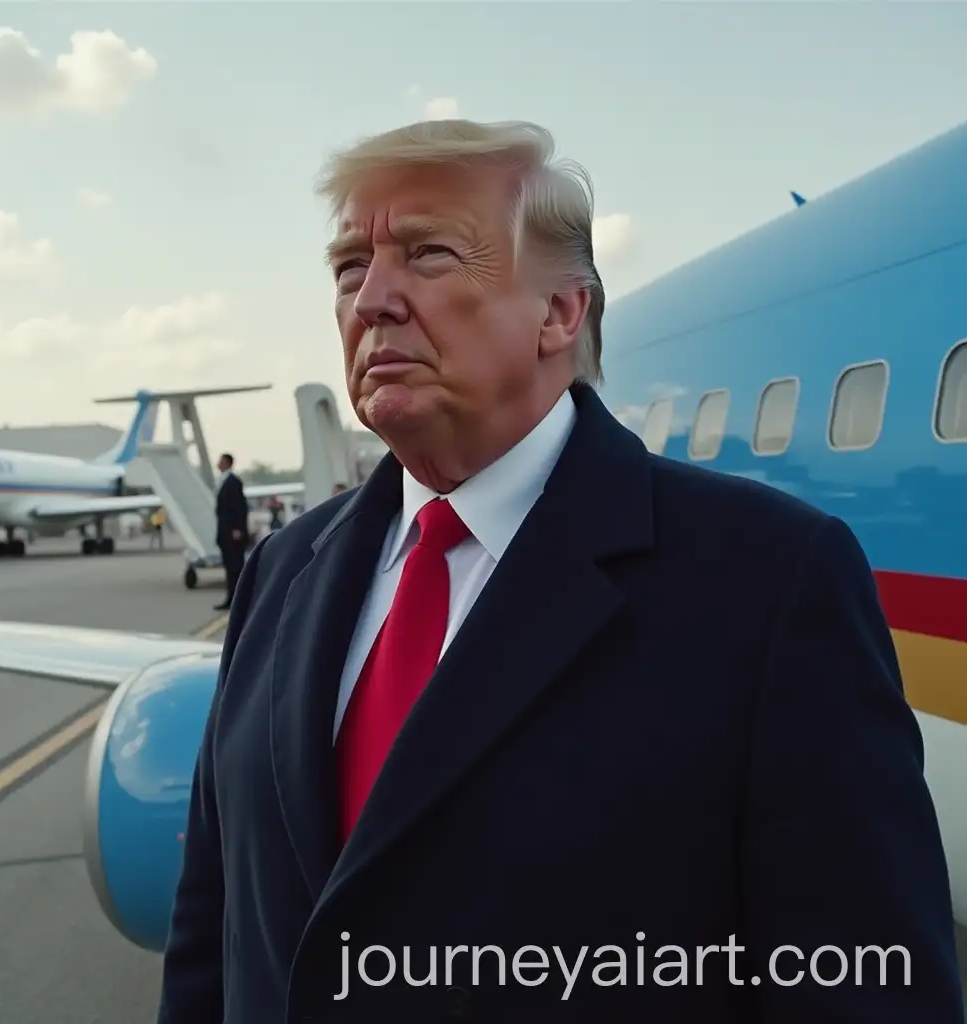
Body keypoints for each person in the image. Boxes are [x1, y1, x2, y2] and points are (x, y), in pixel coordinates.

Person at [158, 120, 964, 1023]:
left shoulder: (770, 582)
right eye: (350, 268)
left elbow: (867, 981)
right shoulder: (282, 570)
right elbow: (212, 927)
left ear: (560, 313)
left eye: (428, 254)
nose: (372, 299)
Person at [212, 452, 249, 611]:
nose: (218, 464)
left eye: (220, 461)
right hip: (226, 533)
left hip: (233, 533)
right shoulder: (223, 481)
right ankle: (232, 598)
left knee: (235, 568)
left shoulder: (233, 482)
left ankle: (239, 600)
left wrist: (238, 529)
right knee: (230, 568)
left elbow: (239, 507)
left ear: (227, 463)